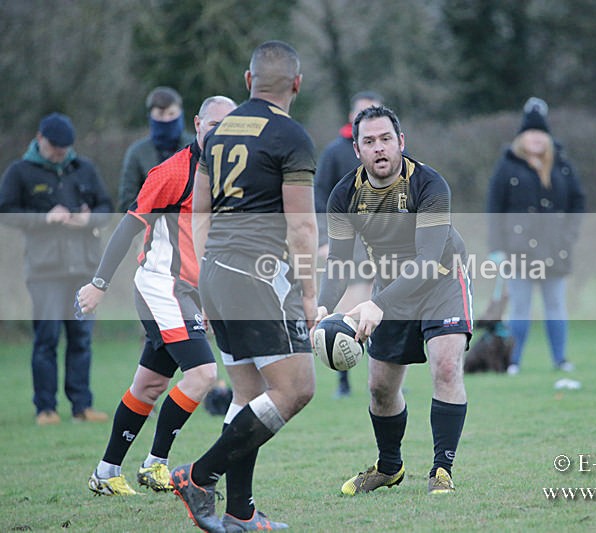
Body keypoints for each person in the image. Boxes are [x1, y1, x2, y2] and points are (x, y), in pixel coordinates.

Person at [170, 41, 317, 532]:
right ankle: (199, 475)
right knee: (296, 389)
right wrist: (311, 297)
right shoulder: (291, 136)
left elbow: (200, 214)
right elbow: (301, 228)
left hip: (216, 273)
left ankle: (240, 514)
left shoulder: (217, 134)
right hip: (256, 277)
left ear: (247, 80)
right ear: (296, 84)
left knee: (248, 393)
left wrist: (207, 281)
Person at [77, 96, 237, 496]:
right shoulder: (171, 172)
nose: (220, 132)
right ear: (198, 124)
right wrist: (98, 285)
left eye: (229, 125)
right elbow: (127, 228)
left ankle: (106, 471)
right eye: (214, 123)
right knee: (202, 374)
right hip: (160, 287)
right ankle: (155, 464)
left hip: (189, 292)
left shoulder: (230, 176)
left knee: (148, 386)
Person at [318, 104, 473, 496]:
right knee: (380, 388)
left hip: (440, 281)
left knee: (447, 366)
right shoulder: (344, 195)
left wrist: (377, 304)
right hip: (390, 291)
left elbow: (428, 258)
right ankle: (389, 468)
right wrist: (321, 308)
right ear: (357, 150)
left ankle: (442, 469)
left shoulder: (429, 185)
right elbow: (338, 260)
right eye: (369, 141)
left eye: (386, 139)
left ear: (401, 142)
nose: (379, 148)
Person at [0, 113, 112, 425]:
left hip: (83, 269)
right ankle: (45, 409)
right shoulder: (21, 172)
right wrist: (44, 218)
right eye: (54, 148)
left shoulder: (84, 169)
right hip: (45, 271)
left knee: (81, 339)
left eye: (64, 148)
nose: (60, 153)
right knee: (46, 339)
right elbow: (6, 212)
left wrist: (89, 219)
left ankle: (82, 406)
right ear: (40, 139)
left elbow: (106, 206)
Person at [486, 97, 585, 375]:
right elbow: (494, 209)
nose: (537, 139)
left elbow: (578, 201)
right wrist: (496, 248)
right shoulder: (506, 167)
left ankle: (560, 359)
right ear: (522, 137)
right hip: (518, 251)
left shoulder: (561, 166)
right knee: (520, 307)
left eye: (541, 134)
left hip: (555, 249)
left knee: (556, 305)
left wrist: (569, 234)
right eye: (531, 134)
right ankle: (514, 361)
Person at [315, 90, 383, 398]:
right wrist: (324, 239)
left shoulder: (388, 154)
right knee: (346, 308)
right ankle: (343, 377)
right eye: (361, 113)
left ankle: (382, 372)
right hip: (345, 241)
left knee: (377, 304)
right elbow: (319, 197)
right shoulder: (334, 152)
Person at [117, 86, 194, 211]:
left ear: (180, 113)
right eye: (160, 114)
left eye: (171, 114)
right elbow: (127, 199)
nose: (166, 120)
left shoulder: (195, 147)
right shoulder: (137, 153)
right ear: (151, 116)